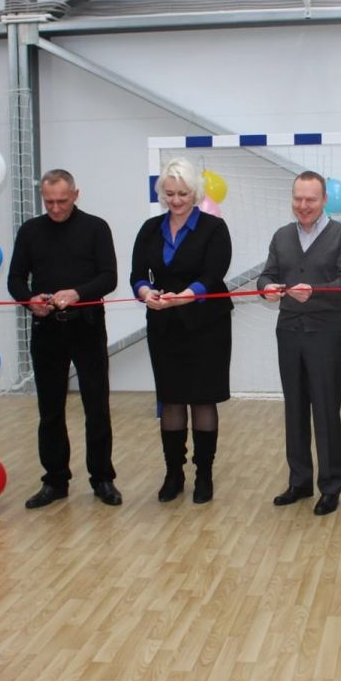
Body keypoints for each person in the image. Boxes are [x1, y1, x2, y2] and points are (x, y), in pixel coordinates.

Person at [7, 169, 122, 509]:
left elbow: (109, 277)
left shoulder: (96, 228)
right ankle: (55, 480)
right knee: (50, 409)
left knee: (96, 405)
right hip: (46, 330)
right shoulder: (30, 231)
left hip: (87, 326)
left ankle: (102, 478)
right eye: (49, 202)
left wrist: (77, 293)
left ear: (75, 194)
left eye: (62, 201)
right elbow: (15, 279)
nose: (55, 208)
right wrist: (29, 300)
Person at [131, 158, 233, 505]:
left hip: (207, 325)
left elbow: (214, 274)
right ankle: (173, 473)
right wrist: (146, 293)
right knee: (171, 398)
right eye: (170, 193)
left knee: (203, 399)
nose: (175, 200)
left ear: (196, 193)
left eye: (183, 194)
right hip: (165, 325)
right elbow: (137, 275)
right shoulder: (149, 229)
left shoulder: (214, 228)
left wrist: (186, 296)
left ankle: (204, 475)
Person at [258, 172, 341, 516]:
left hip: (325, 334)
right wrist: (266, 287)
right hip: (288, 332)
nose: (303, 206)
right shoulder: (282, 236)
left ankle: (330, 486)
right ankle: (299, 481)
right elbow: (267, 274)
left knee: (326, 410)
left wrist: (314, 292)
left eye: (311, 199)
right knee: (295, 407)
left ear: (324, 200)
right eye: (298, 199)